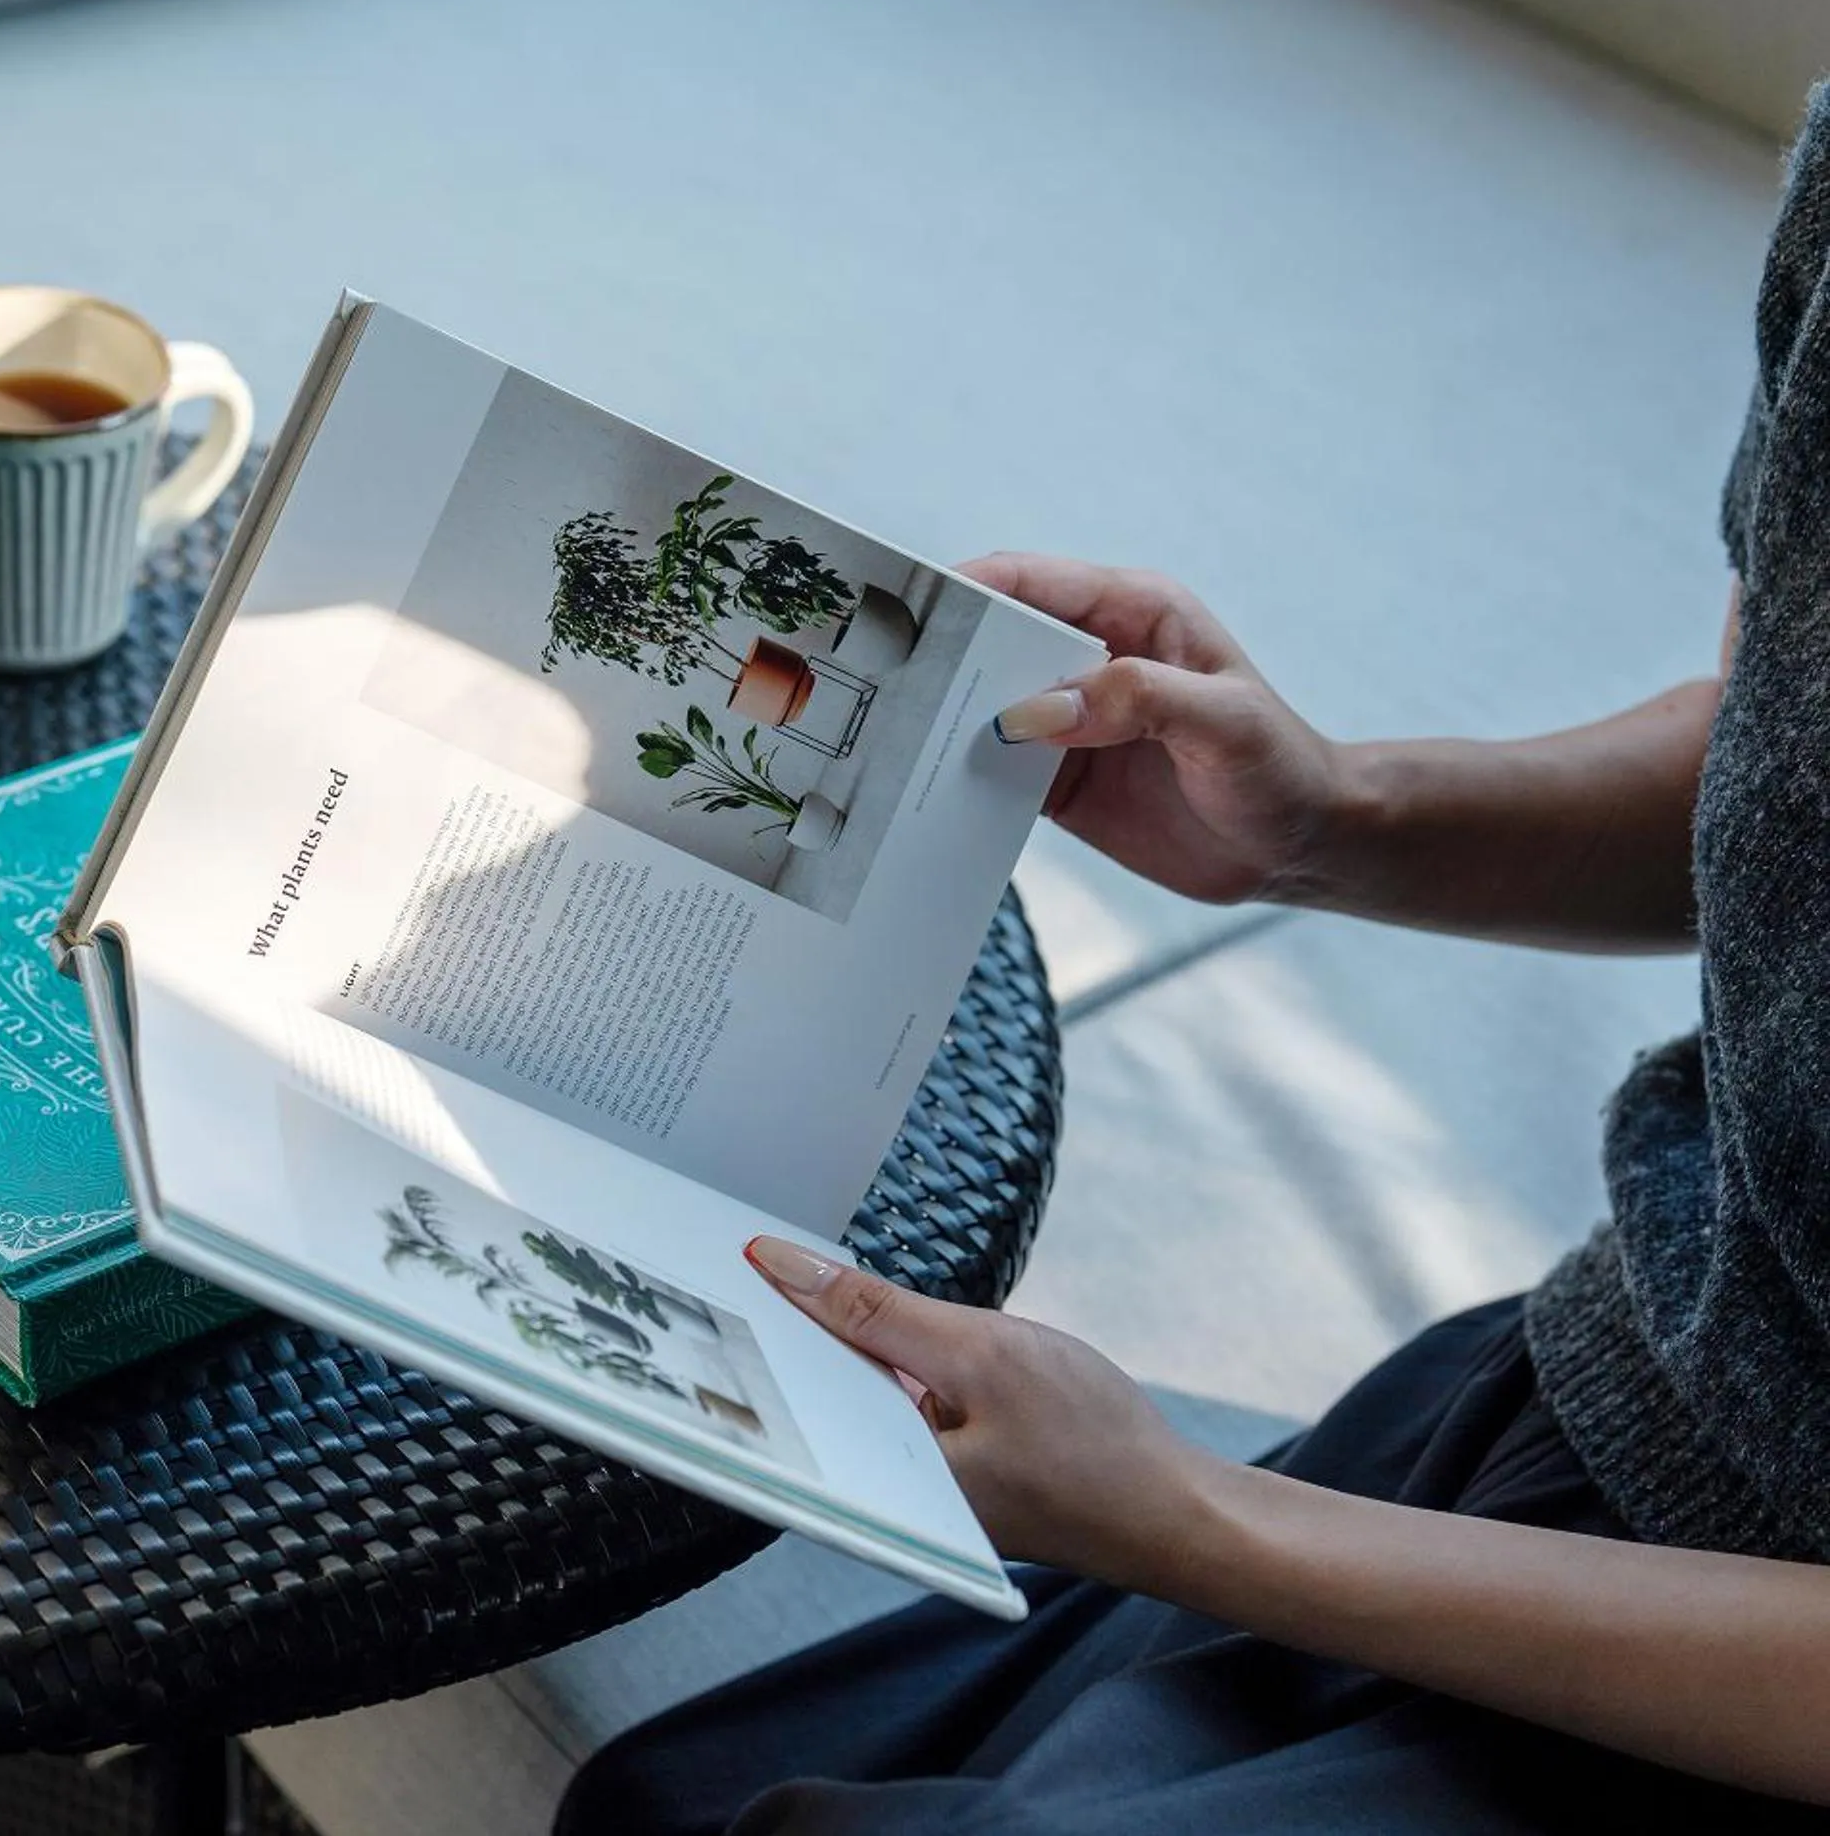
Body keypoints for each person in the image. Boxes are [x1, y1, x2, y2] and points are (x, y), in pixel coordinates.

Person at [558, 95, 1830, 1835]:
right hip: (1625, 1400)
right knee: (672, 1803)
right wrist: (1330, 821)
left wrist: (1189, 1518)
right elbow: (1781, 759)